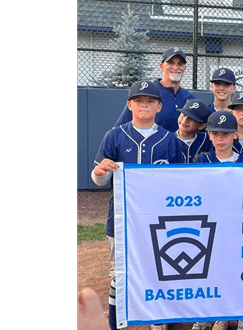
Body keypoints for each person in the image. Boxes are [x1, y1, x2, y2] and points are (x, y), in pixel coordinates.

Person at [92, 81, 183, 330]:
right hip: (121, 220)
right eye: (139, 100)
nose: (145, 104)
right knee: (119, 276)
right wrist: (100, 172)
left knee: (158, 273)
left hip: (157, 221)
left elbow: (177, 184)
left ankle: (157, 322)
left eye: (151, 100)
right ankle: (116, 324)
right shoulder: (115, 136)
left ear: (159, 106)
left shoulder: (169, 140)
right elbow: (100, 180)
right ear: (129, 104)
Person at [113, 47, 195, 133]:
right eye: (171, 63)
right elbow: (119, 129)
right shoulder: (147, 91)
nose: (175, 67)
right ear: (161, 66)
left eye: (180, 64)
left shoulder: (189, 98)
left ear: (184, 68)